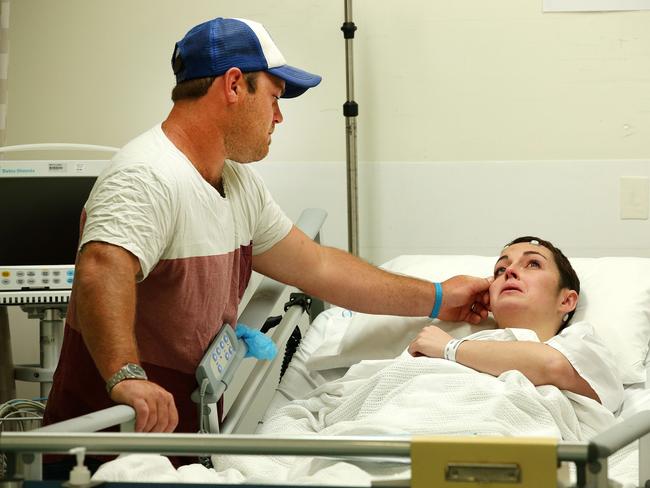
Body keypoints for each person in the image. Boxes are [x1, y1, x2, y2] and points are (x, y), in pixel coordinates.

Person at [42, 15, 491, 455]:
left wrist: (437, 295)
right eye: (275, 97)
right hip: (107, 442)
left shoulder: (236, 184)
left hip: (174, 432)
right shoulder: (147, 175)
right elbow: (102, 268)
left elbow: (317, 266)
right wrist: (126, 376)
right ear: (234, 85)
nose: (279, 117)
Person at [408, 236, 623, 413]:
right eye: (500, 270)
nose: (510, 271)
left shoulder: (580, 342)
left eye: (533, 264)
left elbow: (551, 366)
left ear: (566, 301)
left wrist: (450, 348)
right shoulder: (459, 335)